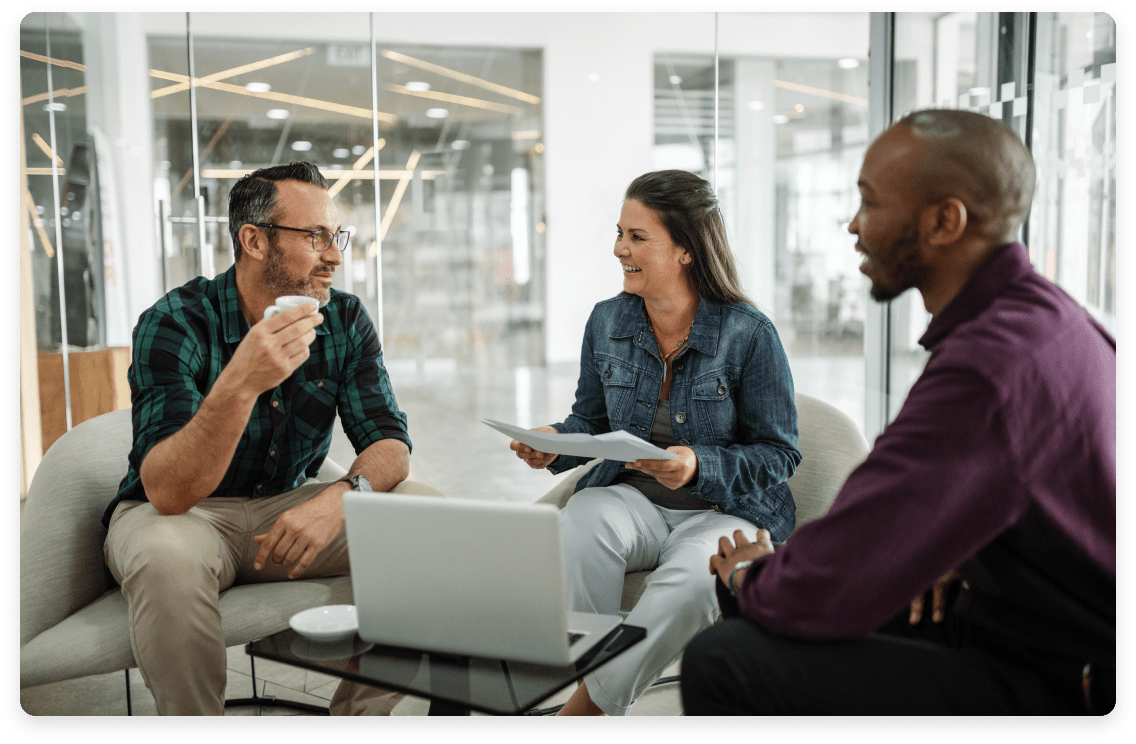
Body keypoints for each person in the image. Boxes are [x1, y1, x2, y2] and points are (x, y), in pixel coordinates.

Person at [681, 110, 1117, 717]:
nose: (853, 225)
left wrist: (750, 575)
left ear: (944, 221)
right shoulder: (1053, 318)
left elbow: (838, 573)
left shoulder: (986, 368)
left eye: (870, 201)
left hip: (1068, 678)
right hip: (1021, 618)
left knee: (725, 659)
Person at [103, 162, 412, 716]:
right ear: (254, 240)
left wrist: (342, 498)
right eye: (315, 236)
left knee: (430, 526)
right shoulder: (174, 322)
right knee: (165, 557)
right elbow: (168, 492)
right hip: (185, 517)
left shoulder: (343, 320)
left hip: (284, 509)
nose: (335, 255)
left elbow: (391, 444)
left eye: (335, 236)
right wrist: (242, 382)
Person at [509, 170, 801, 716]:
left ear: (686, 250)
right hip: (635, 500)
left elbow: (780, 453)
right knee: (581, 520)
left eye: (637, 237)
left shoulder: (749, 333)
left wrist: (699, 466)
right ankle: (591, 687)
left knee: (695, 577)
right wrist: (553, 442)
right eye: (619, 233)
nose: (619, 249)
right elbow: (591, 423)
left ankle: (586, 710)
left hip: (727, 510)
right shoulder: (607, 321)